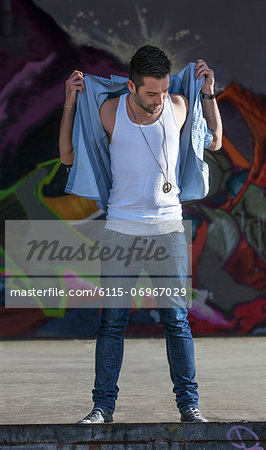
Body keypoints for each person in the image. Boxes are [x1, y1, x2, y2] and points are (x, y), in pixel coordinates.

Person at [59, 45, 222, 423]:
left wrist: (209, 94)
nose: (158, 99)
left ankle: (189, 407)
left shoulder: (179, 106)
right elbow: (67, 156)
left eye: (163, 90)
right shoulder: (110, 112)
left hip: (168, 230)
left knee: (176, 321)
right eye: (151, 93)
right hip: (120, 231)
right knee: (112, 321)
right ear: (131, 86)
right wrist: (69, 102)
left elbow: (213, 141)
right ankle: (102, 408)